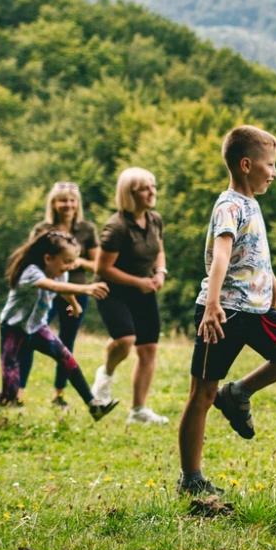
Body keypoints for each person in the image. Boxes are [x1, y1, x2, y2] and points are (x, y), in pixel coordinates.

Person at [181, 125, 276, 499]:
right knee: (202, 394)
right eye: (270, 165)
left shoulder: (251, 203)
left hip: (257, 311)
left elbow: (253, 252)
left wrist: (272, 281)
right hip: (225, 313)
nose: (274, 172)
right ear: (246, 165)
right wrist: (212, 305)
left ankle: (239, 392)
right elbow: (221, 256)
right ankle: (191, 478)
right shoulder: (228, 206)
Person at [0, 230, 118, 423]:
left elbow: (63, 288)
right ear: (48, 258)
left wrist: (74, 304)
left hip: (37, 328)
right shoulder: (30, 272)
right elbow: (51, 286)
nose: (70, 266)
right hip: (14, 330)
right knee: (10, 390)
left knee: (66, 358)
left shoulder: (60, 272)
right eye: (66, 261)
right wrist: (86, 288)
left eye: (73, 261)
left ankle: (94, 406)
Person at [92, 168, 170, 425]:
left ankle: (138, 410)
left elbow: (159, 250)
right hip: (112, 290)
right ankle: (105, 376)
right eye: (145, 188)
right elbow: (103, 268)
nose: (152, 192)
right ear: (130, 194)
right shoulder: (116, 227)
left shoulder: (154, 220)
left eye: (153, 186)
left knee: (148, 349)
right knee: (125, 340)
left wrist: (160, 272)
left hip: (143, 289)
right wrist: (139, 282)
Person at [24, 182, 99, 408]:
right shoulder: (42, 229)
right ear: (54, 203)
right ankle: (18, 391)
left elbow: (97, 264)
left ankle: (59, 394)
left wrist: (78, 262)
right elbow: (29, 259)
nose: (68, 205)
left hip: (75, 290)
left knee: (67, 341)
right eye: (63, 200)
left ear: (78, 203)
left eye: (72, 200)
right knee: (28, 337)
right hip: (45, 291)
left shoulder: (86, 229)